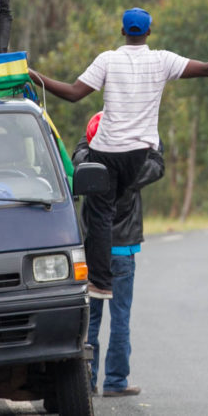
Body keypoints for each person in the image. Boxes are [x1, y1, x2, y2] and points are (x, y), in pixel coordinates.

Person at [28, 7, 208, 298]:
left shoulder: (108, 60)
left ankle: (101, 283)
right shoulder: (162, 60)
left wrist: (32, 75)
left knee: (99, 213)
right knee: (116, 203)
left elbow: (72, 93)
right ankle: (120, 263)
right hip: (140, 154)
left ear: (122, 32)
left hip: (106, 150)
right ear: (148, 33)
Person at [79, 112, 142, 398]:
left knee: (90, 318)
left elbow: (79, 154)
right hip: (122, 247)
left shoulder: (90, 163)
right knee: (120, 317)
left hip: (94, 248)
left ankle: (86, 380)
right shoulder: (132, 161)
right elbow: (154, 161)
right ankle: (115, 381)